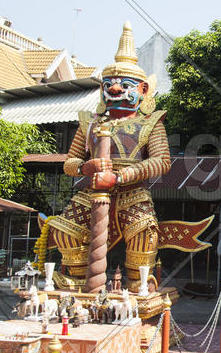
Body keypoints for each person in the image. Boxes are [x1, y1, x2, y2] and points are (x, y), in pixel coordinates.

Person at [47, 22, 169, 292]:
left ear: (143, 90)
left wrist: (120, 176)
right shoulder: (89, 123)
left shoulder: (151, 123)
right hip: (91, 192)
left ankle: (138, 283)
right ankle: (78, 279)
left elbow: (162, 161)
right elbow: (69, 163)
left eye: (125, 85)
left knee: (144, 234)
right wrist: (86, 167)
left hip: (132, 192)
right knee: (64, 230)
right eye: (109, 84)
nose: (115, 89)